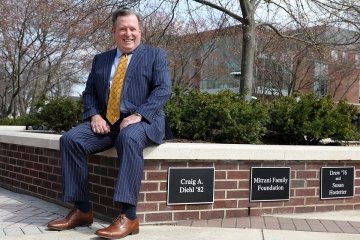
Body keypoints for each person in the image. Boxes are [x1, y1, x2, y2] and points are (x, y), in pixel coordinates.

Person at [47, 8, 172, 239]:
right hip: (108, 123)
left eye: (133, 29)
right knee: (71, 140)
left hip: (144, 121)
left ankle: (129, 216)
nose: (128, 34)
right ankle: (82, 210)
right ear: (114, 32)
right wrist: (95, 115)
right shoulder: (101, 60)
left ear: (140, 31)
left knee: (129, 137)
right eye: (122, 29)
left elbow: (163, 90)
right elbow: (89, 93)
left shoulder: (155, 55)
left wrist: (139, 115)